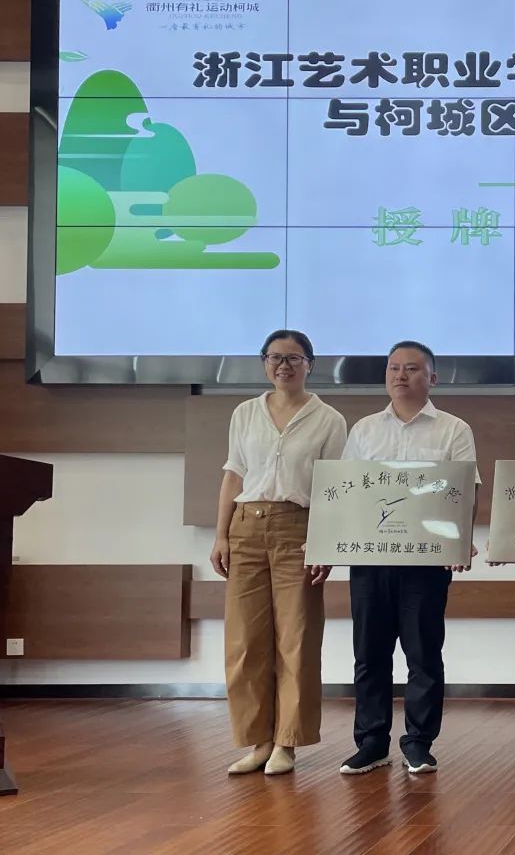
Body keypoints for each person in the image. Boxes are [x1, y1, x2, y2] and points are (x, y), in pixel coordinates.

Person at [336, 340, 479, 776]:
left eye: (412, 368)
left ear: (432, 377)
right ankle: (372, 742)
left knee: (423, 654)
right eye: (394, 368)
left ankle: (418, 742)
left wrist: (458, 542)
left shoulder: (453, 429)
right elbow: (346, 491)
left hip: (426, 562)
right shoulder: (364, 430)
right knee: (369, 655)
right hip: (370, 559)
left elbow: (465, 491)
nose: (401, 375)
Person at [210, 330, 347, 777]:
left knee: (297, 639)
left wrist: (325, 542)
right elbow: (234, 475)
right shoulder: (244, 412)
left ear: (310, 364)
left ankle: (287, 743)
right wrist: (221, 535)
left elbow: (333, 488)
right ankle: (259, 741)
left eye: (293, 358)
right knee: (245, 641)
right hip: (245, 526)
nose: (283, 365)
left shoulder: (329, 419)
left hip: (298, 530)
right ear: (264, 363)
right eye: (275, 357)